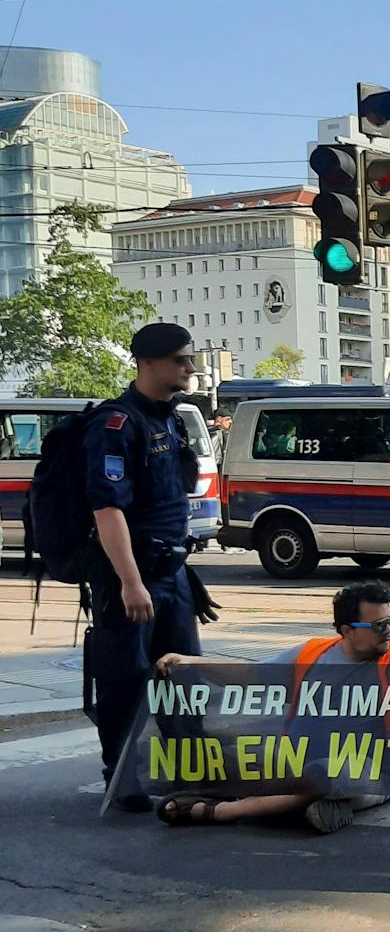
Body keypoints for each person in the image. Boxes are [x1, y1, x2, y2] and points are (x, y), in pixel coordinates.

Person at [150, 582, 390, 830]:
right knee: (226, 756)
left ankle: (226, 810)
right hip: (293, 763)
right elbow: (249, 675)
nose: (388, 631)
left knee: (325, 775)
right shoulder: (313, 653)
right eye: (378, 625)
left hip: (370, 775)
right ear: (347, 631)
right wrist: (190, 663)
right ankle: (315, 807)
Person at [84, 323, 208, 813]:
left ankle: (192, 772)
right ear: (148, 363)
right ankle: (125, 777)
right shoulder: (117, 424)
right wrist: (131, 583)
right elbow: (107, 509)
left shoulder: (172, 419)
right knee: (126, 678)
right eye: (181, 360)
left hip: (173, 572)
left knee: (185, 679)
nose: (189, 368)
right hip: (131, 578)